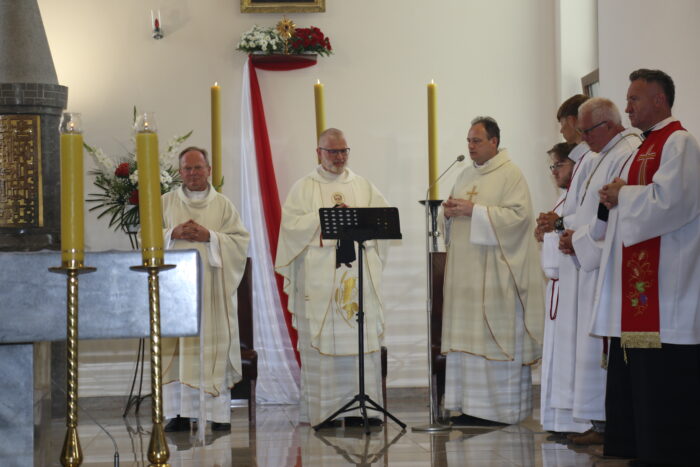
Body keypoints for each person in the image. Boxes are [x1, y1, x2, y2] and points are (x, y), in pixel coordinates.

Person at [592, 69, 700, 465]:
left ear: (659, 99)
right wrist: (615, 196)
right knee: (640, 373)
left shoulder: (679, 142)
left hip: (669, 285)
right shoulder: (645, 145)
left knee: (664, 375)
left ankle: (668, 453)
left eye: (634, 99)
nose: (627, 107)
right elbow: (639, 199)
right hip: (645, 288)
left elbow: (674, 203)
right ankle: (642, 449)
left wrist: (624, 194)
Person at [275, 128, 390, 427]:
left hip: (357, 279)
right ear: (319, 153)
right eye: (333, 152)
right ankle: (326, 411)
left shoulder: (362, 186)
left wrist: (359, 220)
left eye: (343, 151)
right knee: (324, 343)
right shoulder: (304, 188)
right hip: (320, 282)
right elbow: (290, 230)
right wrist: (324, 217)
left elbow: (382, 223)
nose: (339, 157)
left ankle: (364, 410)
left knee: (359, 340)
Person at [440, 116, 544, 425]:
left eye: (477, 141)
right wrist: (447, 214)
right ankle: (468, 407)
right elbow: (451, 221)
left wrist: (474, 210)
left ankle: (499, 411)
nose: (471, 146)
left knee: (495, 338)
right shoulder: (464, 175)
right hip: (465, 278)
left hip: (495, 278)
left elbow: (520, 219)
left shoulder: (511, 174)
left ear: (494, 142)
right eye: (469, 141)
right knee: (467, 341)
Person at [558, 98, 642, 445]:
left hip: (609, 260)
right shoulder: (602, 154)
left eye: (587, 130)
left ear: (608, 125)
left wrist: (579, 240)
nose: (583, 137)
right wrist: (573, 235)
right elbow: (593, 209)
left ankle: (608, 425)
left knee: (602, 348)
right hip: (592, 253)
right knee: (591, 346)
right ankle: (599, 421)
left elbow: (612, 212)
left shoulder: (626, 151)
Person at [161, 146, 250, 432]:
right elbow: (145, 239)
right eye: (187, 168)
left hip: (212, 291)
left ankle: (216, 414)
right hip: (175, 292)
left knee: (211, 348)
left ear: (209, 170)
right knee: (177, 349)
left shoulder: (223, 205)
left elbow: (240, 241)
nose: (193, 173)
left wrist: (209, 236)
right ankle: (178, 413)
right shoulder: (165, 203)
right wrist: (172, 233)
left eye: (198, 167)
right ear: (179, 172)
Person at [535, 95, 595, 436]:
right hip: (563, 280)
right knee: (562, 355)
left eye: (563, 122)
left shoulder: (590, 160)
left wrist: (555, 225)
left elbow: (587, 215)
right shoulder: (582, 165)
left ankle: (580, 422)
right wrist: (548, 228)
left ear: (576, 121)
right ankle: (562, 420)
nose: (562, 129)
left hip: (578, 274)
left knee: (574, 355)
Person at [538, 142, 578, 434]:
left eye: (559, 165)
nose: (554, 172)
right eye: (552, 166)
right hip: (557, 286)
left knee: (569, 358)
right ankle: (557, 421)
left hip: (570, 285)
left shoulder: (576, 199)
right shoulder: (562, 199)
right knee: (555, 355)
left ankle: (573, 422)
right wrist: (543, 233)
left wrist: (552, 232)